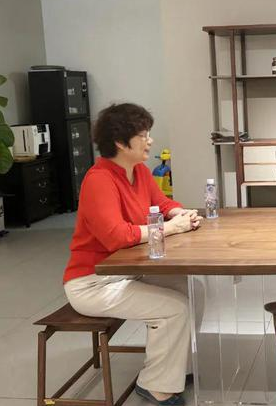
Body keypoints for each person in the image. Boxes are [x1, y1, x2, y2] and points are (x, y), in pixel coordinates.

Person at [63, 103, 201, 406]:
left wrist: (181, 213)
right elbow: (115, 236)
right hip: (92, 283)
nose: (150, 141)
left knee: (192, 288)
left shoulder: (139, 171)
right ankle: (155, 385)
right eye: (143, 135)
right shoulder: (99, 179)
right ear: (120, 143)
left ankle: (176, 369)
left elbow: (162, 203)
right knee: (174, 308)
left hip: (126, 272)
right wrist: (171, 228)